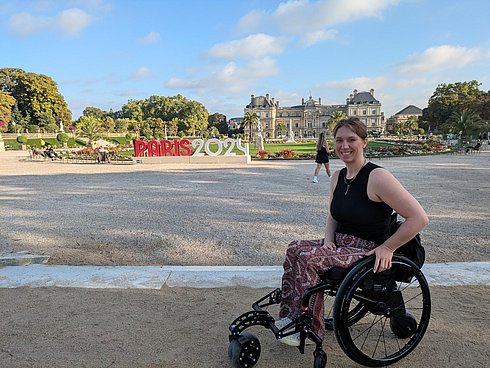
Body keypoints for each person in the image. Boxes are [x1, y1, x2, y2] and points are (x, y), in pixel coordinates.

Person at [276, 117, 429, 346]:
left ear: (364, 142)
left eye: (351, 140)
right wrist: (328, 240)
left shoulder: (377, 177)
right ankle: (290, 316)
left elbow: (419, 218)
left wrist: (388, 248)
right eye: (339, 140)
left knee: (309, 258)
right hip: (340, 244)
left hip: (366, 249)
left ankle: (309, 327)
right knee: (294, 248)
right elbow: (332, 215)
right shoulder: (338, 176)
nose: (344, 146)